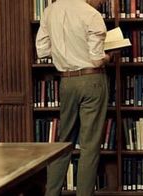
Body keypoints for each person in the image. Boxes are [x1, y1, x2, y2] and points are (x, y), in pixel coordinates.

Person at [36, 0, 112, 195]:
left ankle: (51, 193)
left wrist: (65, 53)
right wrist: (108, 57)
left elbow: (42, 51)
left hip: (66, 82)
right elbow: (96, 58)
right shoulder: (91, 14)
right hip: (92, 78)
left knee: (63, 142)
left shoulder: (49, 11)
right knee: (90, 144)